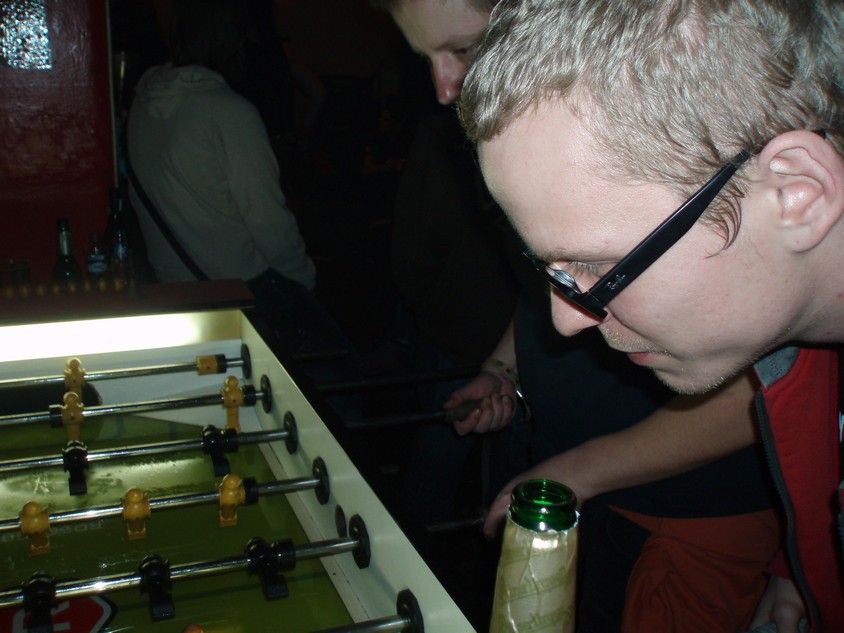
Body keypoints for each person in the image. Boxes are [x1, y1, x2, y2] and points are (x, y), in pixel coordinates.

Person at [375, 1, 782, 632]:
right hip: (573, 472)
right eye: (425, 59)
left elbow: (771, 376)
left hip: (694, 505)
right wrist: (502, 369)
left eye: (463, 48)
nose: (443, 89)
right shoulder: (520, 146)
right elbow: (548, 293)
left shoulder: (654, 122)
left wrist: (578, 469)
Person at [458, 1, 844, 632]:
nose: (567, 324)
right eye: (554, 271)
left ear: (797, 194)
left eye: (598, 266)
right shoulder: (799, 359)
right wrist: (804, 565)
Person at [126, 0, 359, 410]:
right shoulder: (228, 111)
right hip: (245, 291)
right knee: (338, 395)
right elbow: (269, 222)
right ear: (232, 35)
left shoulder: (141, 105)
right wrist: (303, 281)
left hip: (176, 290)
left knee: (225, 410)